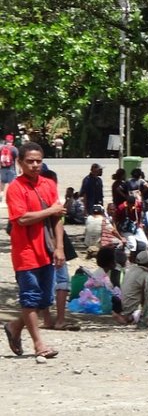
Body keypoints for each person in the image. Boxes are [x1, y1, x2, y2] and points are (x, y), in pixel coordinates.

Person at [3, 142, 65, 359]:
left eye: (38, 161)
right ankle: (39, 345)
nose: (35, 165)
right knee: (30, 297)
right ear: (20, 163)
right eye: (30, 161)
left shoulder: (49, 184)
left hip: (47, 250)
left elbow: (57, 218)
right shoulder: (15, 188)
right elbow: (22, 218)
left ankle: (14, 326)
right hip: (25, 251)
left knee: (44, 299)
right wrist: (51, 210)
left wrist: (59, 247)